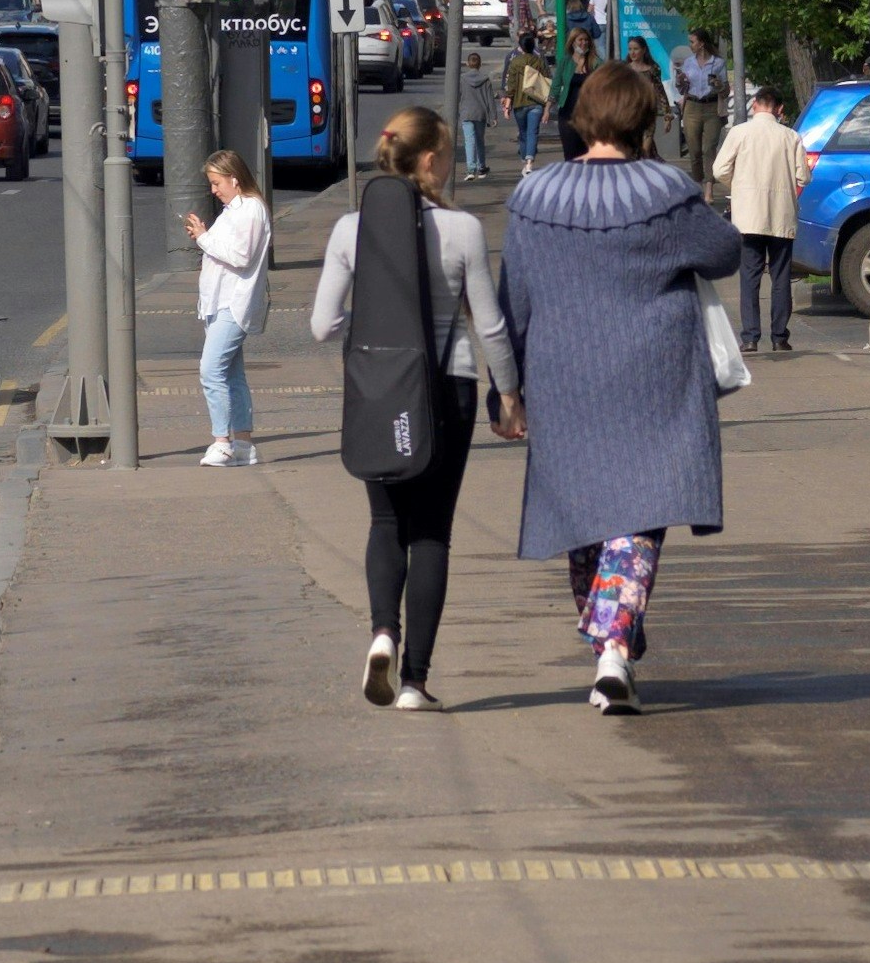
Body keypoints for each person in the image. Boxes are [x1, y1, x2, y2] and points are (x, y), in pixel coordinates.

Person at [493, 53, 734, 715]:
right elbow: (725, 252)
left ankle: (609, 634)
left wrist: (505, 391)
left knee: (585, 515)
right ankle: (614, 649)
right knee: (638, 513)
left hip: (562, 379)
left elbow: (512, 299)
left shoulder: (534, 197)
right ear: (644, 118)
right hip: (653, 379)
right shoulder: (665, 192)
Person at [308, 101, 503, 707]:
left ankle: (382, 632)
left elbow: (321, 325)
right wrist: (511, 393)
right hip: (449, 389)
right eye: (444, 155)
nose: (446, 165)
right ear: (427, 161)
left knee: (386, 521)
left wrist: (371, 334)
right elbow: (490, 326)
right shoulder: (464, 230)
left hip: (378, 391)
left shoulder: (348, 230)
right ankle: (416, 680)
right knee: (432, 532)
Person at [187, 149, 275, 466]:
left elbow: (241, 256)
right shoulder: (234, 210)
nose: (214, 190)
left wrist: (203, 237)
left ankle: (222, 442)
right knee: (232, 376)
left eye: (216, 182)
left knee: (211, 371)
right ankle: (244, 446)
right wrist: (205, 235)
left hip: (234, 304)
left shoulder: (251, 210)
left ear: (234, 179)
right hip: (219, 302)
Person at [710, 84, 813, 352]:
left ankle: (750, 337)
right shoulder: (791, 137)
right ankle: (779, 337)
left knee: (750, 276)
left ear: (754, 105)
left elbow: (719, 169)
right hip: (781, 215)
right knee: (780, 276)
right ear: (779, 109)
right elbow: (803, 176)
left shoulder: (739, 133)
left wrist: (739, 184)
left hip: (748, 216)